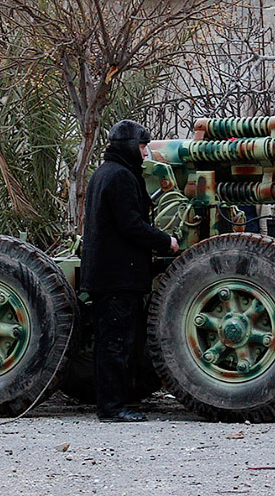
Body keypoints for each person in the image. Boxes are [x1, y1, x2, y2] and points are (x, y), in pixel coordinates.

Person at [80, 120, 179, 423]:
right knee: (115, 343)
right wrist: (166, 241)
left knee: (113, 341)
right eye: (142, 145)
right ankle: (112, 408)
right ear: (128, 145)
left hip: (109, 275)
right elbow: (131, 224)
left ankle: (114, 403)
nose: (146, 152)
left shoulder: (105, 173)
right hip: (117, 277)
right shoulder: (121, 176)